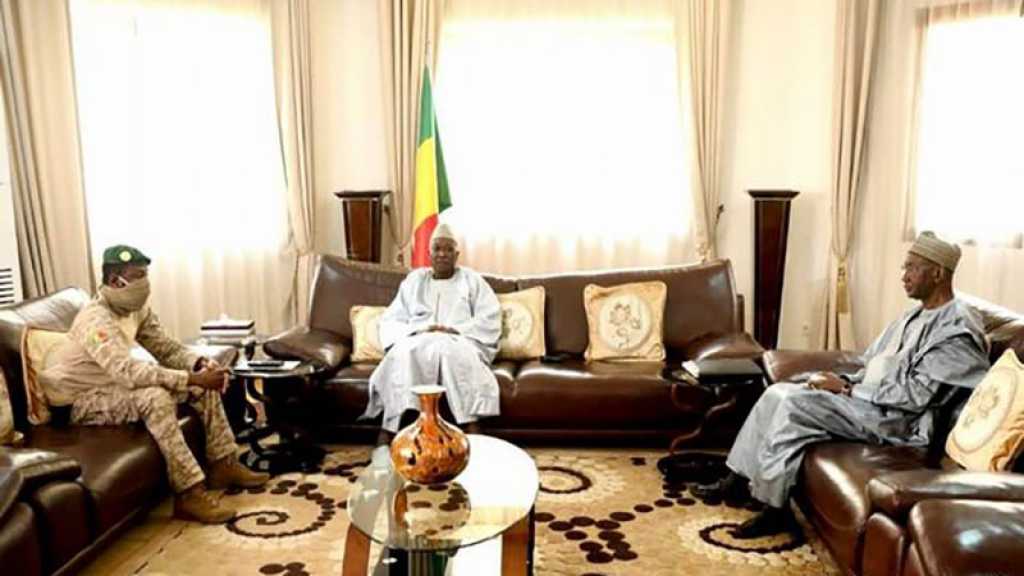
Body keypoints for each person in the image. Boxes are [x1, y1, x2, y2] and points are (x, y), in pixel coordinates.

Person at [694, 231, 990, 538]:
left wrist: (847, 390)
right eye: (905, 267)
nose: (904, 276)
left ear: (938, 274)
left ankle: (775, 510)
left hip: (899, 421)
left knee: (795, 405)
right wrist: (842, 381)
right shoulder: (914, 315)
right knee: (777, 392)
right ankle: (738, 479)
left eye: (912, 268)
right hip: (872, 402)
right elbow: (871, 364)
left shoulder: (956, 330)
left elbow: (916, 396)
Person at [40, 245, 268, 524]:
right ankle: (189, 494)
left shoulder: (134, 309)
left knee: (201, 386)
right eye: (137, 276)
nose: (145, 283)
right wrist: (190, 378)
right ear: (114, 281)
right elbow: (127, 372)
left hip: (111, 386)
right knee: (155, 397)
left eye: (145, 274)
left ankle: (223, 464)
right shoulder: (95, 320)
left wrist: (199, 364)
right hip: (79, 400)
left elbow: (166, 349)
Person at [364, 223, 501, 443]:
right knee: (403, 353)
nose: (442, 254)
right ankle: (391, 428)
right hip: (419, 337)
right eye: (437, 249)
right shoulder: (414, 281)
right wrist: (419, 329)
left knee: (450, 351)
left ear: (457, 255)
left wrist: (456, 330)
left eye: (448, 249)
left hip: (458, 338)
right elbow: (393, 319)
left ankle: (470, 425)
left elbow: (489, 317)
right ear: (429, 254)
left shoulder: (472, 280)